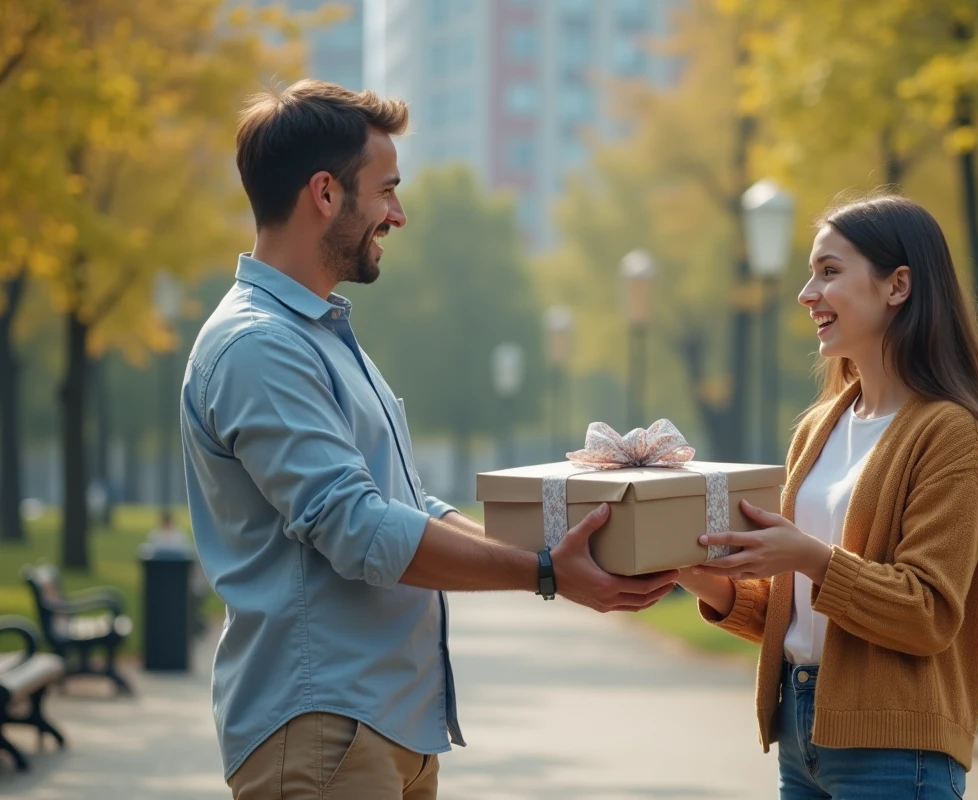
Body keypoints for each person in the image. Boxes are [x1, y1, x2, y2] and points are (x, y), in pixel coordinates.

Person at [179, 80, 678, 800]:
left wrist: (558, 548)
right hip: (324, 731)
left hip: (382, 730)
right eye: (386, 190)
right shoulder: (260, 346)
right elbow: (357, 528)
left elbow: (406, 505)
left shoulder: (318, 336)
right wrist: (543, 572)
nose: (398, 214)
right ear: (325, 193)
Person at [675, 195, 978, 799]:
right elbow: (799, 610)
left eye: (829, 271)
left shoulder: (951, 435)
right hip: (801, 735)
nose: (806, 293)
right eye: (811, 273)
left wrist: (809, 557)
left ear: (897, 286)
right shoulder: (819, 427)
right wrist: (690, 571)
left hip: (897, 752)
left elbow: (926, 613)